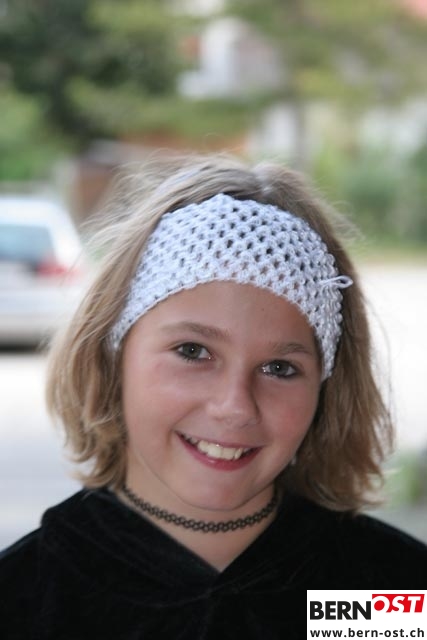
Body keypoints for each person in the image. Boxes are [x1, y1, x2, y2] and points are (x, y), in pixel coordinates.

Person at [0, 154, 426, 639]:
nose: (235, 406)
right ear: (112, 355)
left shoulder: (383, 598)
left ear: (325, 391)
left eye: (280, 368)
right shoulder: (25, 601)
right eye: (193, 351)